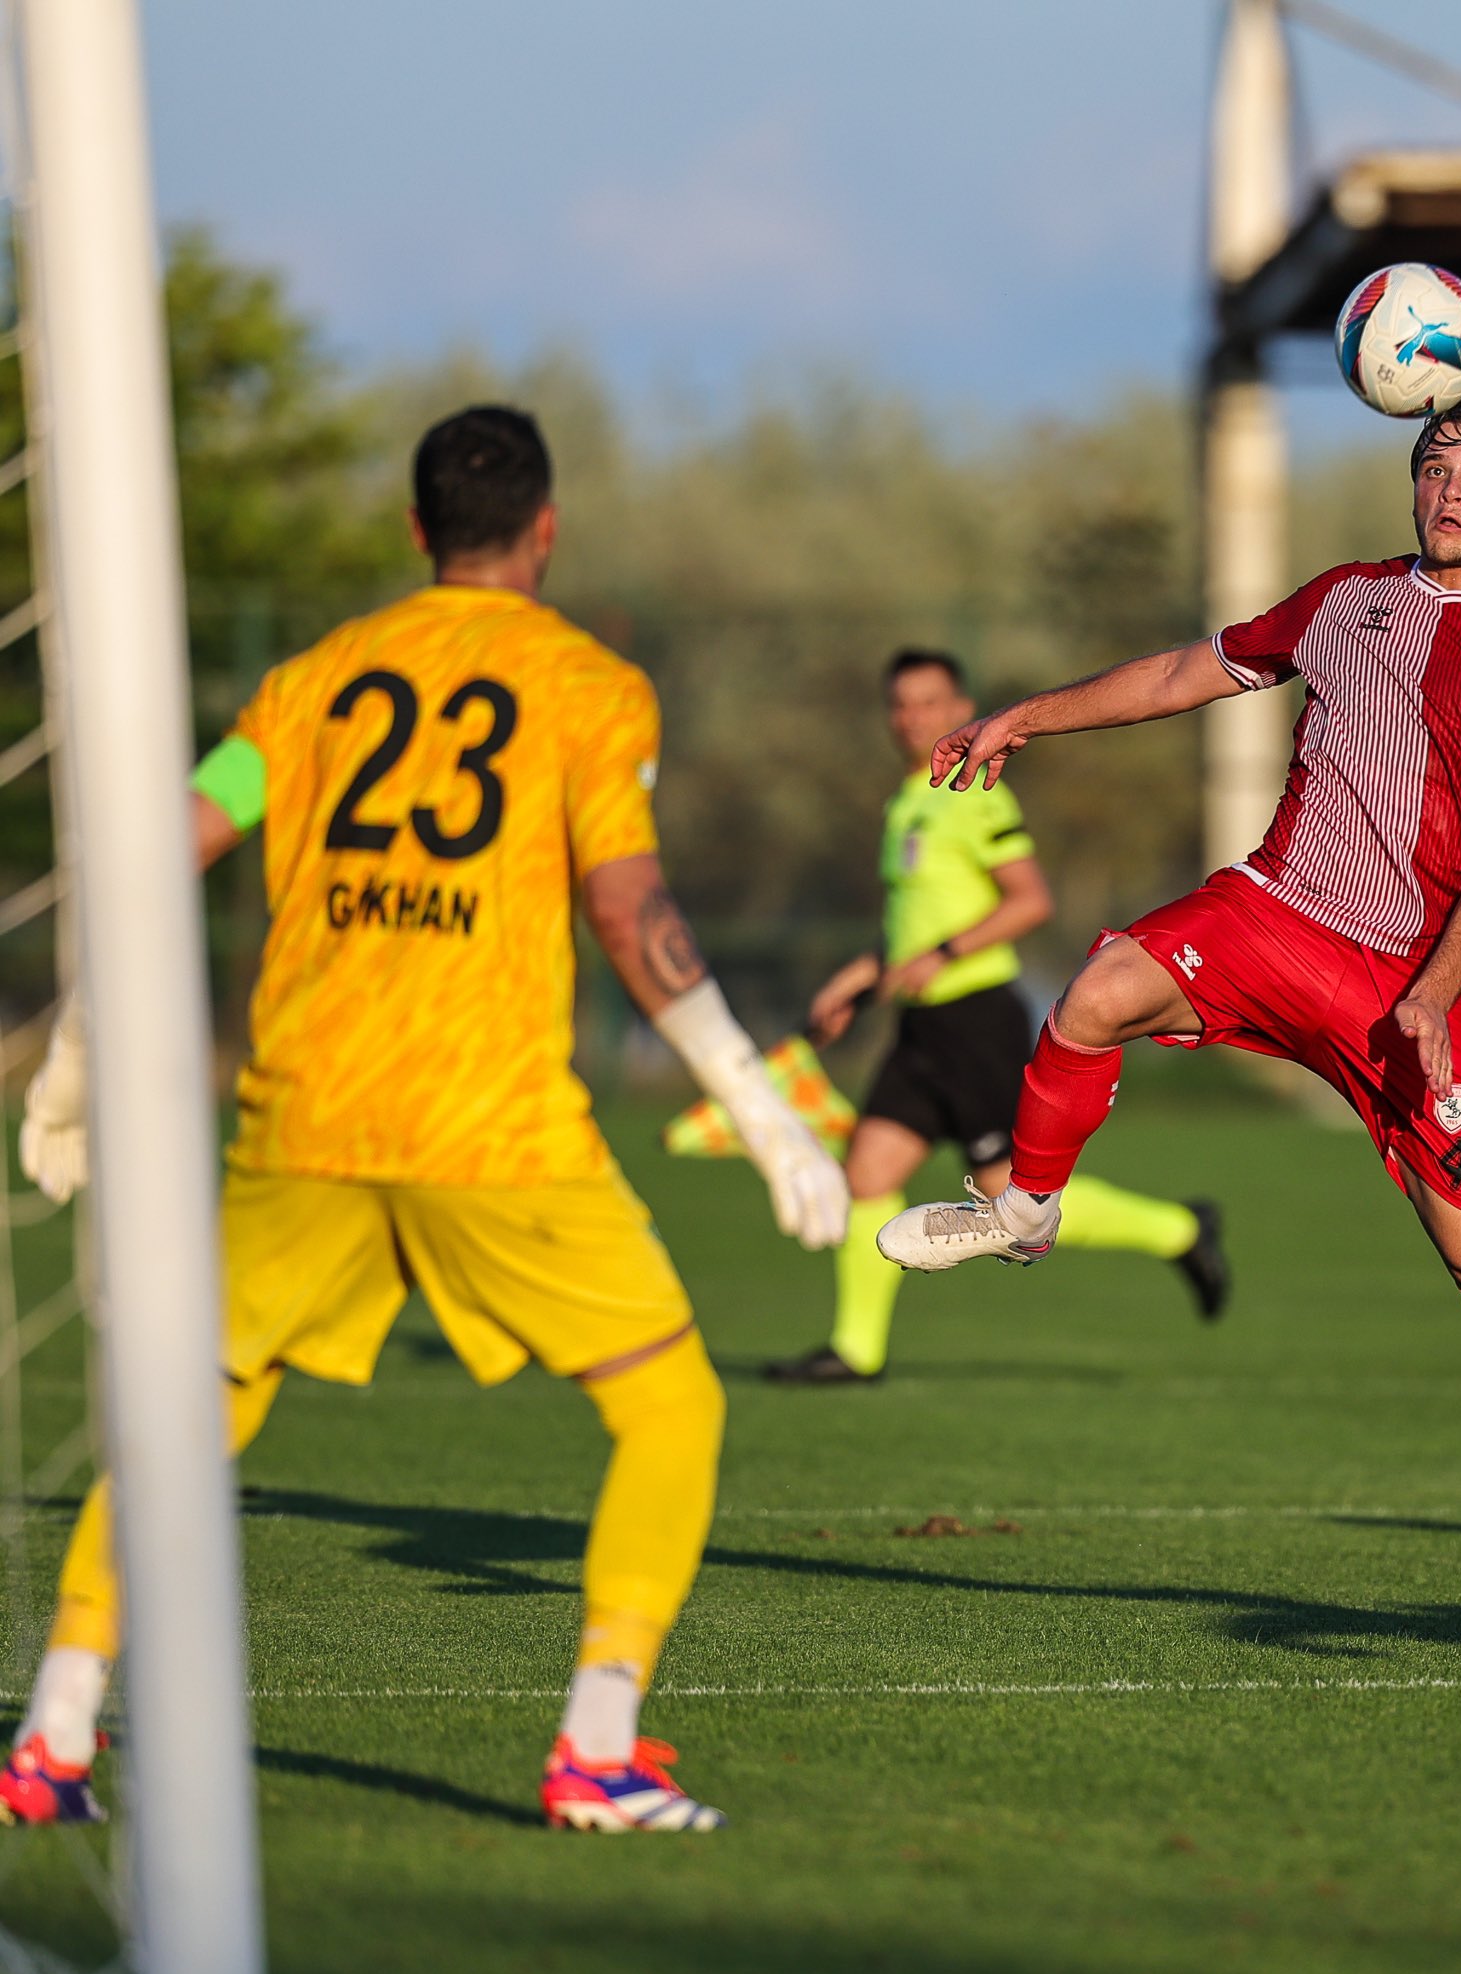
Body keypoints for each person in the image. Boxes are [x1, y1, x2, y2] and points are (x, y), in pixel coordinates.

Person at [3, 405, 848, 1834]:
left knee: (189, 1415)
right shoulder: (591, 685)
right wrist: (760, 1109)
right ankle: (595, 1749)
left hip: (304, 1117)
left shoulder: (313, 679)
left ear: (414, 531)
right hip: (491, 1126)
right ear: (547, 528)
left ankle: (54, 1735)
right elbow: (630, 909)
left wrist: (74, 1058)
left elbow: (156, 844)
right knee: (669, 1406)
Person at [879, 389, 1461, 1500]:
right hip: (1274, 913)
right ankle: (1024, 1212)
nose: (1450, 489)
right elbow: (1182, 675)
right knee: (1097, 990)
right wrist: (1024, 714)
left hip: (1407, 978)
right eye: (1434, 465)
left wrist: (1434, 993)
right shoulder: (1345, 600)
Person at [765, 649, 1227, 1387]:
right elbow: (906, 925)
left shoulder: (972, 791)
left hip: (977, 1018)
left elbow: (1028, 900)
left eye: (928, 702)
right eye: (900, 705)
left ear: (960, 709)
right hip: (921, 1026)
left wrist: (946, 953)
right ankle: (855, 1351)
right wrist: (855, 980)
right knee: (869, 1171)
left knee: (1008, 1196)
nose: (912, 718)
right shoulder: (906, 801)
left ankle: (1180, 1231)